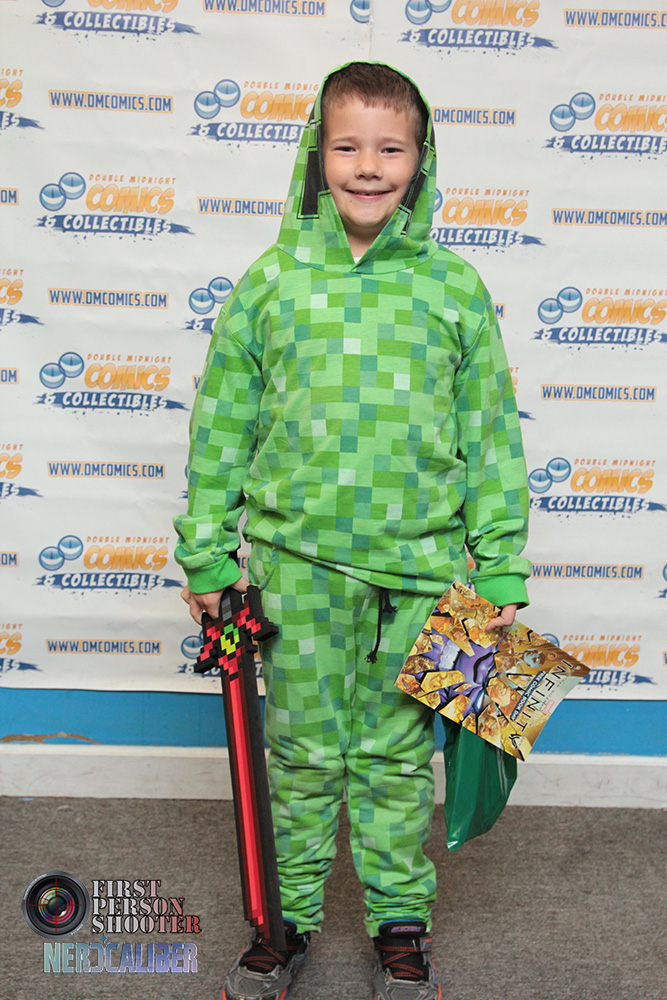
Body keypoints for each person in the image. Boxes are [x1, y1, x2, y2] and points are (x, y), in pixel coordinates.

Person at [174, 61, 531, 1000]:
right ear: (315, 158)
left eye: (389, 149)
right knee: (298, 759)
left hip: (417, 576)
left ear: (420, 161)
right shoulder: (270, 284)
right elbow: (221, 426)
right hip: (295, 570)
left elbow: (490, 434)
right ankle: (281, 923)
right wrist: (206, 553)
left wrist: (499, 567)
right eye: (346, 147)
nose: (368, 166)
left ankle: (399, 924)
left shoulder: (453, 289)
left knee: (396, 761)